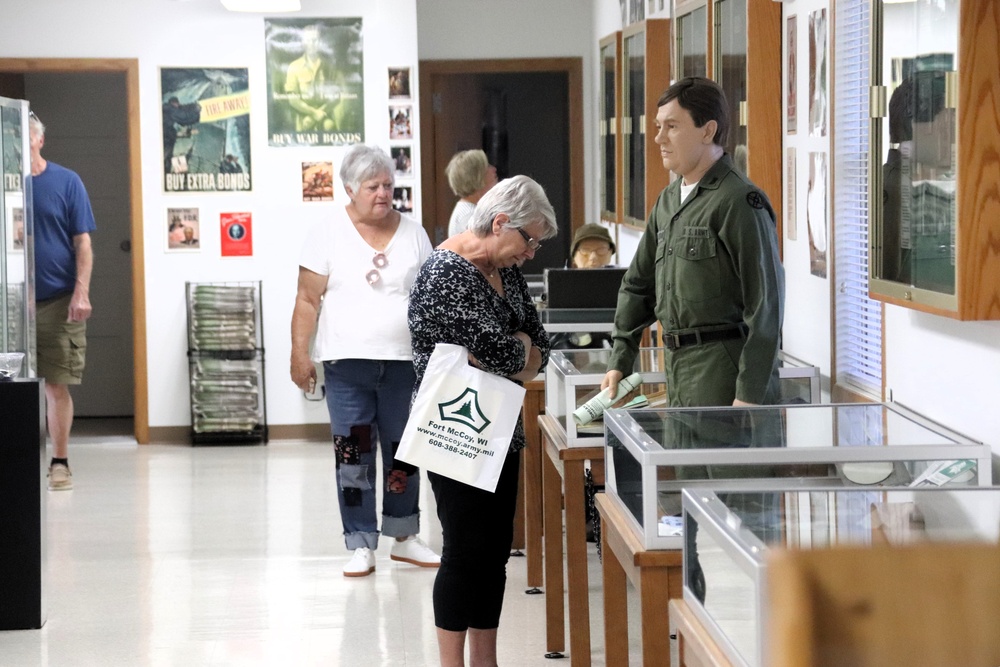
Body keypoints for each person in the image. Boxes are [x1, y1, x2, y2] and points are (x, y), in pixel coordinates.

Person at [408, 175, 556, 667]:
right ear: (499, 223)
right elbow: (502, 350)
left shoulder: (505, 268)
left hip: (500, 432)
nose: (531, 253)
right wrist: (517, 351)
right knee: (464, 550)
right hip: (454, 432)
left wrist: (518, 351)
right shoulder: (444, 274)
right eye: (529, 239)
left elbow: (540, 346)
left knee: (494, 552)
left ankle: (484, 660)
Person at [290, 144, 439, 577]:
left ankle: (405, 535)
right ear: (350, 189)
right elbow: (306, 300)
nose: (382, 193)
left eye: (388, 185)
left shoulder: (414, 233)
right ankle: (359, 541)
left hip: (402, 366)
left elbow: (430, 299)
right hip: (347, 368)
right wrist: (300, 355)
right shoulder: (327, 232)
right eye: (373, 186)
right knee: (352, 455)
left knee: (402, 452)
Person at [602, 77, 784, 408]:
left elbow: (766, 306)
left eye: (671, 126)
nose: (658, 138)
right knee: (685, 461)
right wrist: (620, 358)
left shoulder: (739, 200)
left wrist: (750, 394)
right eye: (658, 126)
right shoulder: (668, 201)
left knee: (723, 461)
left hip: (725, 371)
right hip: (676, 366)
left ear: (707, 130)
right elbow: (638, 287)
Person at [29, 112, 97, 491]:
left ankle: (59, 461)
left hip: (57, 300)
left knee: (56, 385)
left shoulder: (66, 181)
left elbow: (82, 243)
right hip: (11, 304)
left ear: (39, 139)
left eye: (24, 138)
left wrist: (81, 291)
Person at [283, 24, 336, 133]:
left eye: (315, 40)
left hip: (325, 118)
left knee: (330, 127)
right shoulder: (294, 67)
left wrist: (317, 113)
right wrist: (312, 113)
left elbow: (336, 96)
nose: (312, 44)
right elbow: (293, 100)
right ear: (303, 43)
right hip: (303, 122)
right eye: (308, 40)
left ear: (320, 43)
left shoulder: (329, 66)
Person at [444, 149, 498, 238]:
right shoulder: (469, 216)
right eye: (487, 166)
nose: (494, 169)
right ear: (477, 176)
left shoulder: (470, 210)